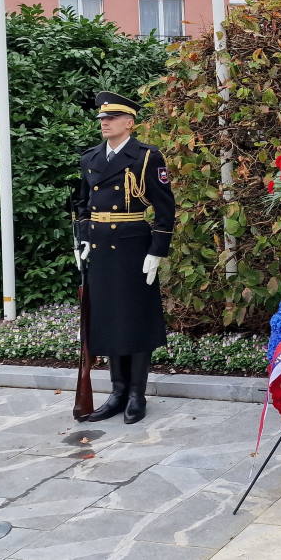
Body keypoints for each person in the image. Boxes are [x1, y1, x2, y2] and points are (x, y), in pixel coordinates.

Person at [71, 91, 174, 424]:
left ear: (129, 123)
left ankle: (136, 395)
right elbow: (83, 206)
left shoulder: (146, 157)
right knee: (110, 319)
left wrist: (156, 252)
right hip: (100, 250)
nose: (104, 123)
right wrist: (85, 239)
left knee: (135, 320)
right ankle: (116, 392)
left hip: (133, 249)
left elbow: (165, 209)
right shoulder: (90, 159)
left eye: (111, 119)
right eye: (102, 119)